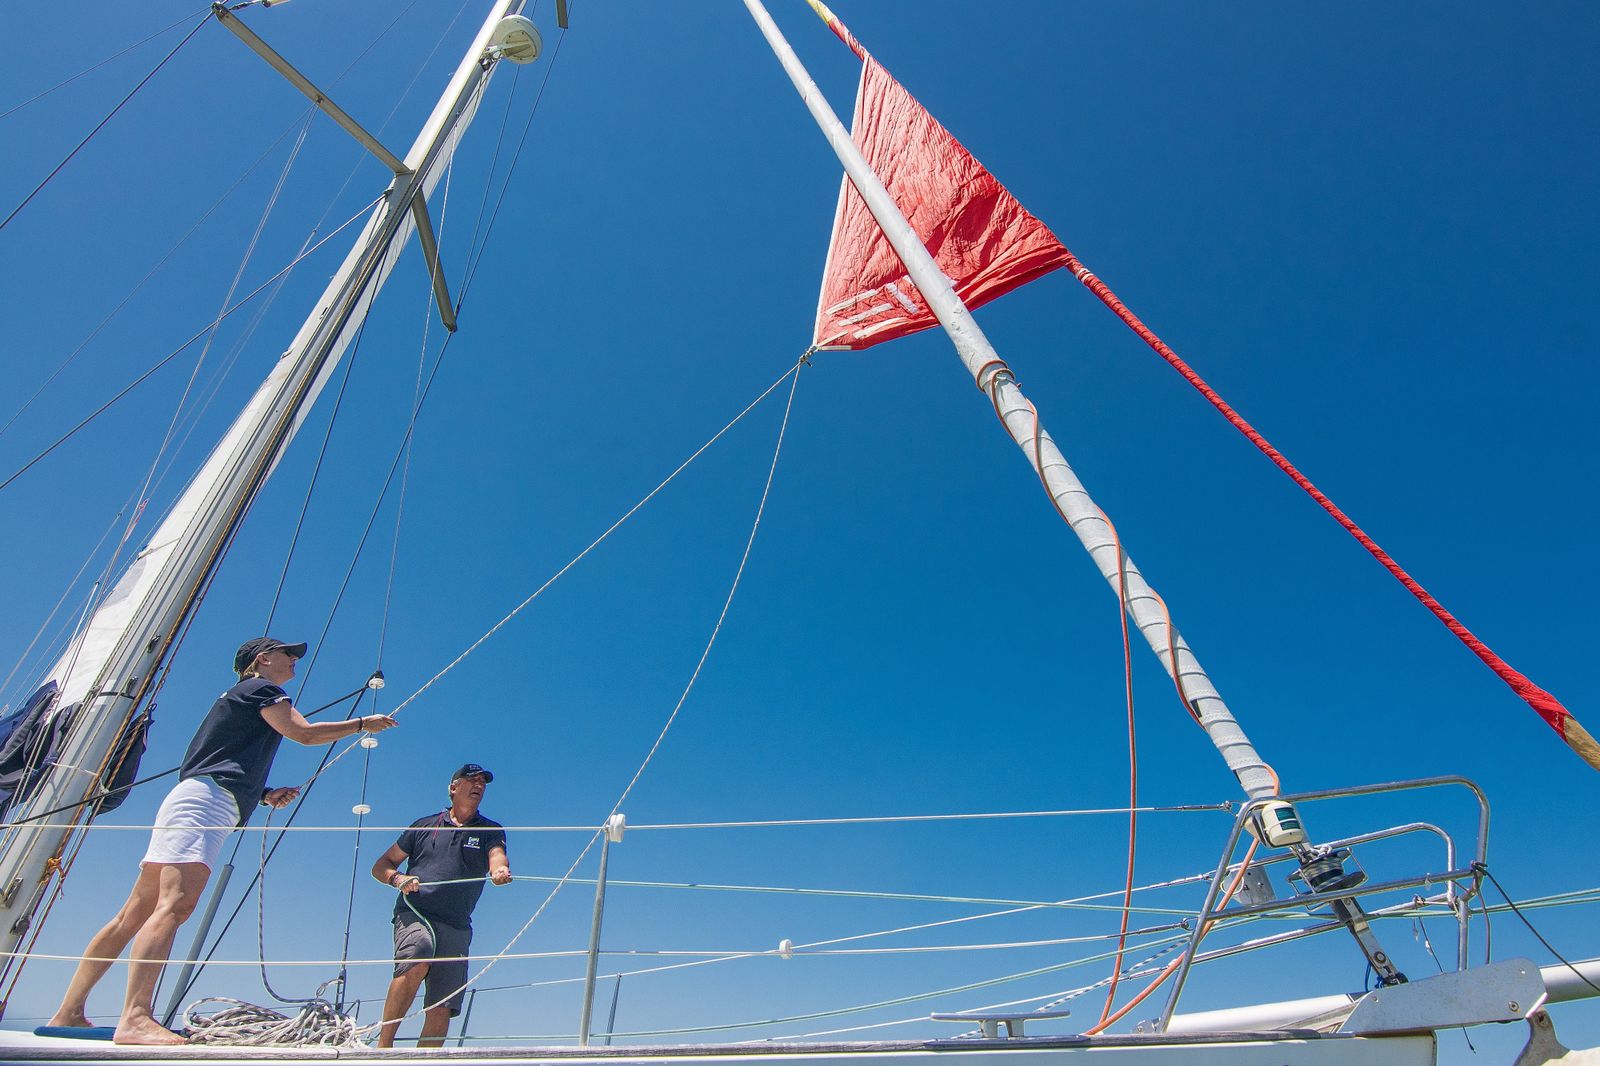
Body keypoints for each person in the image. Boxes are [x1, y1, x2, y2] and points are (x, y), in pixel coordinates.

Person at [47, 637, 397, 1045]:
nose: (295, 661)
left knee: (135, 913)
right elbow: (303, 734)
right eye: (289, 654)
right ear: (263, 660)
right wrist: (361, 725)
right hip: (205, 804)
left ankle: (68, 1012)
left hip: (195, 798)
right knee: (175, 905)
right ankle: (135, 1019)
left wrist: (264, 795)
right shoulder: (263, 689)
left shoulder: (240, 695)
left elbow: (224, 756)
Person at [372, 763, 510, 1048]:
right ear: (453, 788)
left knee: (442, 1003)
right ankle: (382, 1049)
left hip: (457, 924)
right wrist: (397, 878)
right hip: (416, 913)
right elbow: (381, 866)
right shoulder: (422, 826)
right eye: (472, 780)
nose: (479, 785)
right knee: (417, 955)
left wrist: (499, 872)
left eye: (483, 782)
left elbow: (497, 857)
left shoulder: (490, 830)